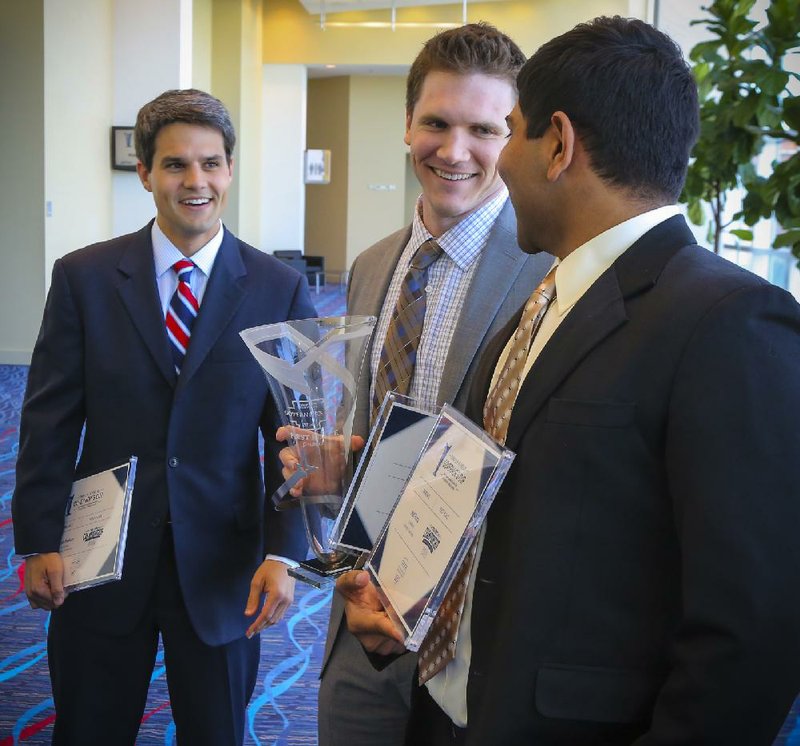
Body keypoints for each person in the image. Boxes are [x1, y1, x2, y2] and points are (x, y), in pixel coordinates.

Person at [338, 15, 800, 746]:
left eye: (507, 131)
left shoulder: (729, 320)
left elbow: (752, 629)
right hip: (459, 709)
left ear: (557, 144)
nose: (492, 164)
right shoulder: (544, 303)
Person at [12, 88, 316, 745]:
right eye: (176, 165)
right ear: (146, 173)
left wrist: (283, 554)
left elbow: (291, 435)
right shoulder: (85, 277)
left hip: (223, 566)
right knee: (89, 727)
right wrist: (38, 538)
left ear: (230, 170)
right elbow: (49, 418)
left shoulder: (277, 288)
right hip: (100, 555)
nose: (195, 181)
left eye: (211, 164)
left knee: (215, 731)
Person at [315, 22, 552, 746]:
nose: (453, 151)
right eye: (436, 123)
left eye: (483, 129)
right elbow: (376, 432)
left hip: (475, 626)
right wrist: (336, 465)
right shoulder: (370, 264)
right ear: (408, 124)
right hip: (360, 606)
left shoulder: (546, 270)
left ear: (515, 138)